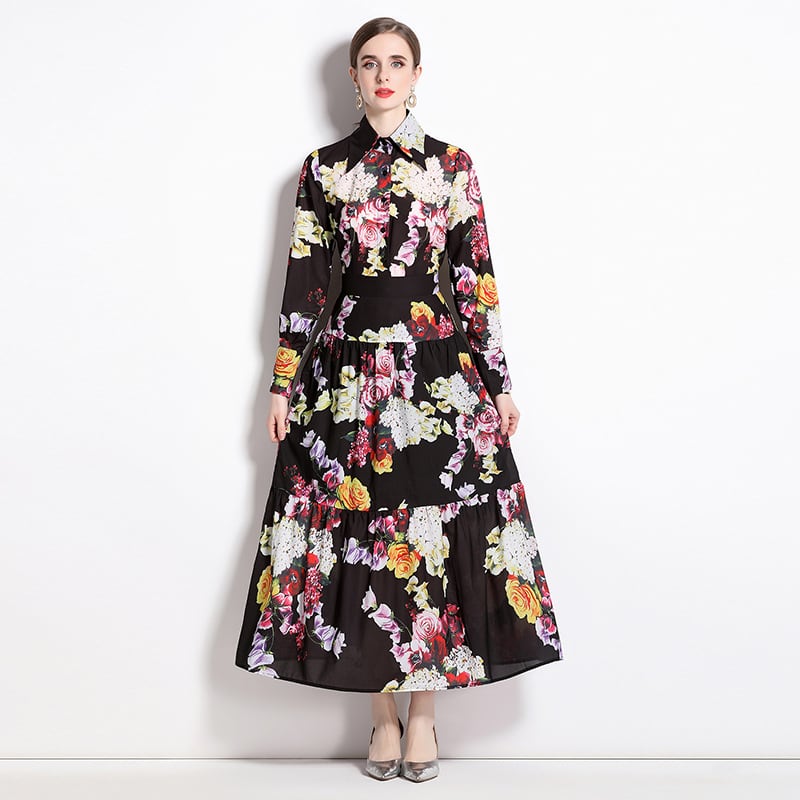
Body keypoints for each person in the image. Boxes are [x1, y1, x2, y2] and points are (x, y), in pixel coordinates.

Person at [235, 16, 564, 782]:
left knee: (430, 537)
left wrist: (498, 382)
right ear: (353, 77)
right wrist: (281, 384)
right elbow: (305, 287)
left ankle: (424, 717)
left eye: (397, 62)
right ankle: (381, 718)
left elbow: (475, 280)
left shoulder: (451, 166)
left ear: (417, 75)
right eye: (370, 63)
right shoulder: (324, 171)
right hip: (347, 380)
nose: (384, 75)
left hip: (437, 376)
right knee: (365, 539)